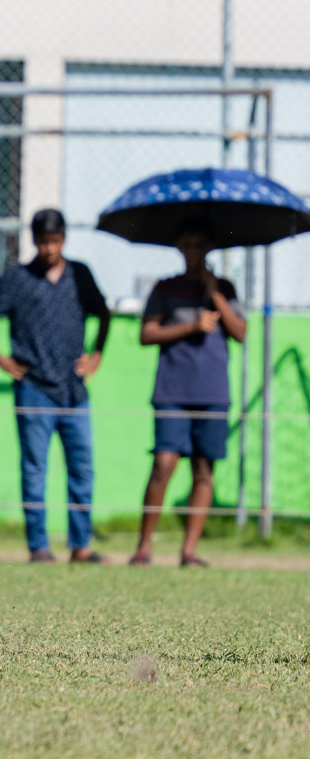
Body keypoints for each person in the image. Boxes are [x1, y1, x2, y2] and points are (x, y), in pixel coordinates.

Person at [0, 208, 111, 564]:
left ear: (64, 239)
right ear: (34, 241)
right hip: (33, 386)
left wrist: (96, 355)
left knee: (83, 468)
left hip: (74, 389)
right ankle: (39, 548)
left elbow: (104, 312)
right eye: (43, 241)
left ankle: (80, 546)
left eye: (55, 241)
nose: (49, 248)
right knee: (35, 469)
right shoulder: (18, 279)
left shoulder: (79, 275)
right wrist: (2, 361)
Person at [130, 219, 247, 568]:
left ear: (209, 248)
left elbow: (240, 332)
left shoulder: (225, 287)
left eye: (200, 244)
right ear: (179, 247)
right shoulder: (165, 288)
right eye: (188, 243)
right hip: (172, 391)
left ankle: (189, 551)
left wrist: (214, 294)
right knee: (164, 464)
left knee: (203, 470)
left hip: (213, 392)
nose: (194, 250)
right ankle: (144, 547)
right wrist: (190, 326)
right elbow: (147, 334)